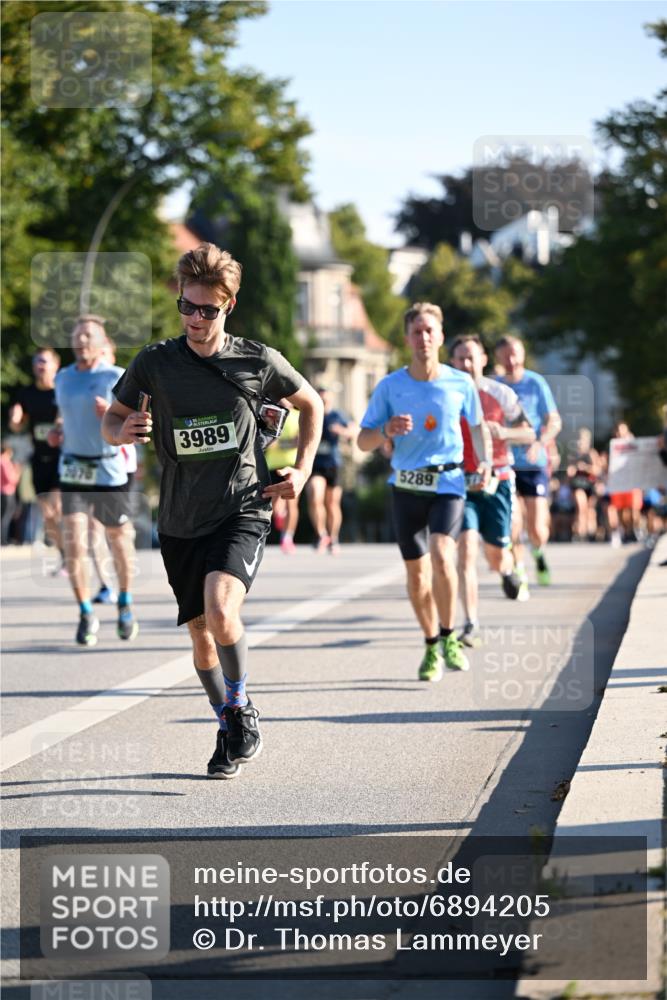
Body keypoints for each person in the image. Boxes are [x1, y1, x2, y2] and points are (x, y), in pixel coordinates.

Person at [103, 243, 323, 779]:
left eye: (209, 310)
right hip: (180, 518)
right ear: (179, 302)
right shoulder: (155, 362)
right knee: (201, 634)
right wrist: (121, 432)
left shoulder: (255, 360)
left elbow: (311, 403)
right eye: (188, 307)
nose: (196, 320)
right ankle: (227, 718)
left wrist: (303, 467)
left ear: (229, 307)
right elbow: (113, 417)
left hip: (242, 506)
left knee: (222, 609)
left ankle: (241, 704)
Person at [358, 302, 492, 680]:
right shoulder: (390, 386)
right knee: (417, 576)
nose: (424, 338)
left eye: (430, 331)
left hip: (449, 483)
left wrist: (484, 462)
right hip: (406, 488)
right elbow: (362, 441)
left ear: (441, 337)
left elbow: (479, 427)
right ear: (407, 339)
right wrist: (386, 431)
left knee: (443, 555)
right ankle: (432, 642)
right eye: (417, 331)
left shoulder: (460, 383)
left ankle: (450, 635)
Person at [49, 316, 139, 646]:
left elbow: (137, 422)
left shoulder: (116, 377)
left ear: (101, 343)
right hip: (73, 467)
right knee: (74, 542)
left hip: (108, 469)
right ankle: (86, 611)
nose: (81, 341)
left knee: (118, 540)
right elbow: (64, 416)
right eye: (76, 336)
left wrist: (115, 417)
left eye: (88, 336)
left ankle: (126, 601)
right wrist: (57, 432)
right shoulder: (62, 378)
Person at [449, 335, 535, 647]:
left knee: (496, 554)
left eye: (472, 357)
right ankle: (470, 623)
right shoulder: (448, 394)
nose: (467, 364)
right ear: (453, 363)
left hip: (497, 478)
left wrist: (505, 432)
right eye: (460, 359)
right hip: (461, 481)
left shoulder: (500, 393)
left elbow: (528, 433)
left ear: (484, 358)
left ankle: (508, 569)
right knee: (466, 551)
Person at [494, 336, 561, 590]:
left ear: (522, 354)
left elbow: (554, 421)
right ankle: (519, 569)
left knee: (536, 528)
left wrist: (539, 442)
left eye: (515, 354)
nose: (511, 361)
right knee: (513, 524)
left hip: (533, 463)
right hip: (505, 463)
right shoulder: (495, 386)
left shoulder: (535, 383)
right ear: (498, 357)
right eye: (506, 355)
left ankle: (539, 554)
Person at [8, 348, 64, 569]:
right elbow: (17, 424)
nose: (40, 366)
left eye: (44, 361)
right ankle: (64, 554)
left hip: (62, 457)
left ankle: (74, 550)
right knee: (48, 515)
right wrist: (15, 419)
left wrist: (60, 424)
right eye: (37, 361)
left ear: (55, 366)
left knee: (57, 508)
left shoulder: (62, 391)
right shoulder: (26, 394)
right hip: (39, 459)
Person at [307, 385, 356, 555]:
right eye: (320, 398)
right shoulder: (311, 413)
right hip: (316, 464)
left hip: (334, 464)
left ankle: (333, 537)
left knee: (332, 503)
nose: (323, 401)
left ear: (330, 399)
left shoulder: (337, 415)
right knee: (314, 495)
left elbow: (353, 431)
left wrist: (341, 431)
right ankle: (321, 534)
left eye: (326, 399)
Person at [265, 402, 301, 553]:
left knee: (292, 503)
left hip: (290, 465)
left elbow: (298, 442)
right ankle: (280, 516)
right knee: (270, 505)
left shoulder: (299, 415)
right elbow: (267, 442)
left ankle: (287, 537)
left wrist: (280, 444)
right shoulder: (271, 414)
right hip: (272, 465)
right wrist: (285, 444)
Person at [567, 427, 601, 541]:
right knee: (581, 507)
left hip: (589, 485)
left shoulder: (591, 454)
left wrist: (586, 468)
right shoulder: (573, 455)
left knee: (589, 509)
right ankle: (580, 532)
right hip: (578, 484)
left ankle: (590, 531)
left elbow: (598, 470)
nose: (579, 442)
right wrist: (571, 471)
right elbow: (569, 473)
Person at [1, 441, 21, 545]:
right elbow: (11, 479)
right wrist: (18, 471)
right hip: (6, 492)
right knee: (5, 517)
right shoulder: (4, 462)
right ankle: (3, 540)